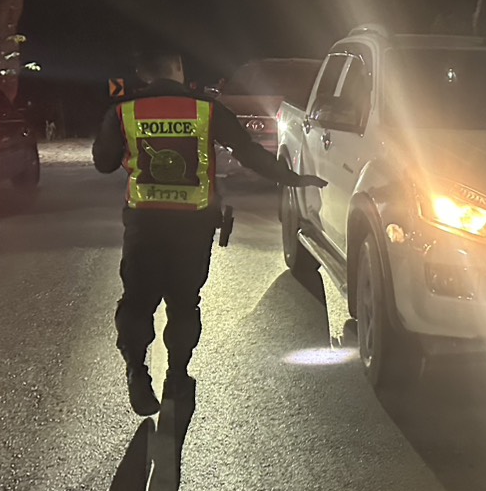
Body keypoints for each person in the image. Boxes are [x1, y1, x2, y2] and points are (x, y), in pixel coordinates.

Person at [92, 48, 325, 416]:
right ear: (177, 67)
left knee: (137, 303)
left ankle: (137, 372)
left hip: (144, 225)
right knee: (184, 305)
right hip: (192, 226)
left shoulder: (124, 111)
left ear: (143, 73)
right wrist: (293, 178)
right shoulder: (205, 109)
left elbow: (104, 163)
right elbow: (248, 151)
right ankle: (176, 376)